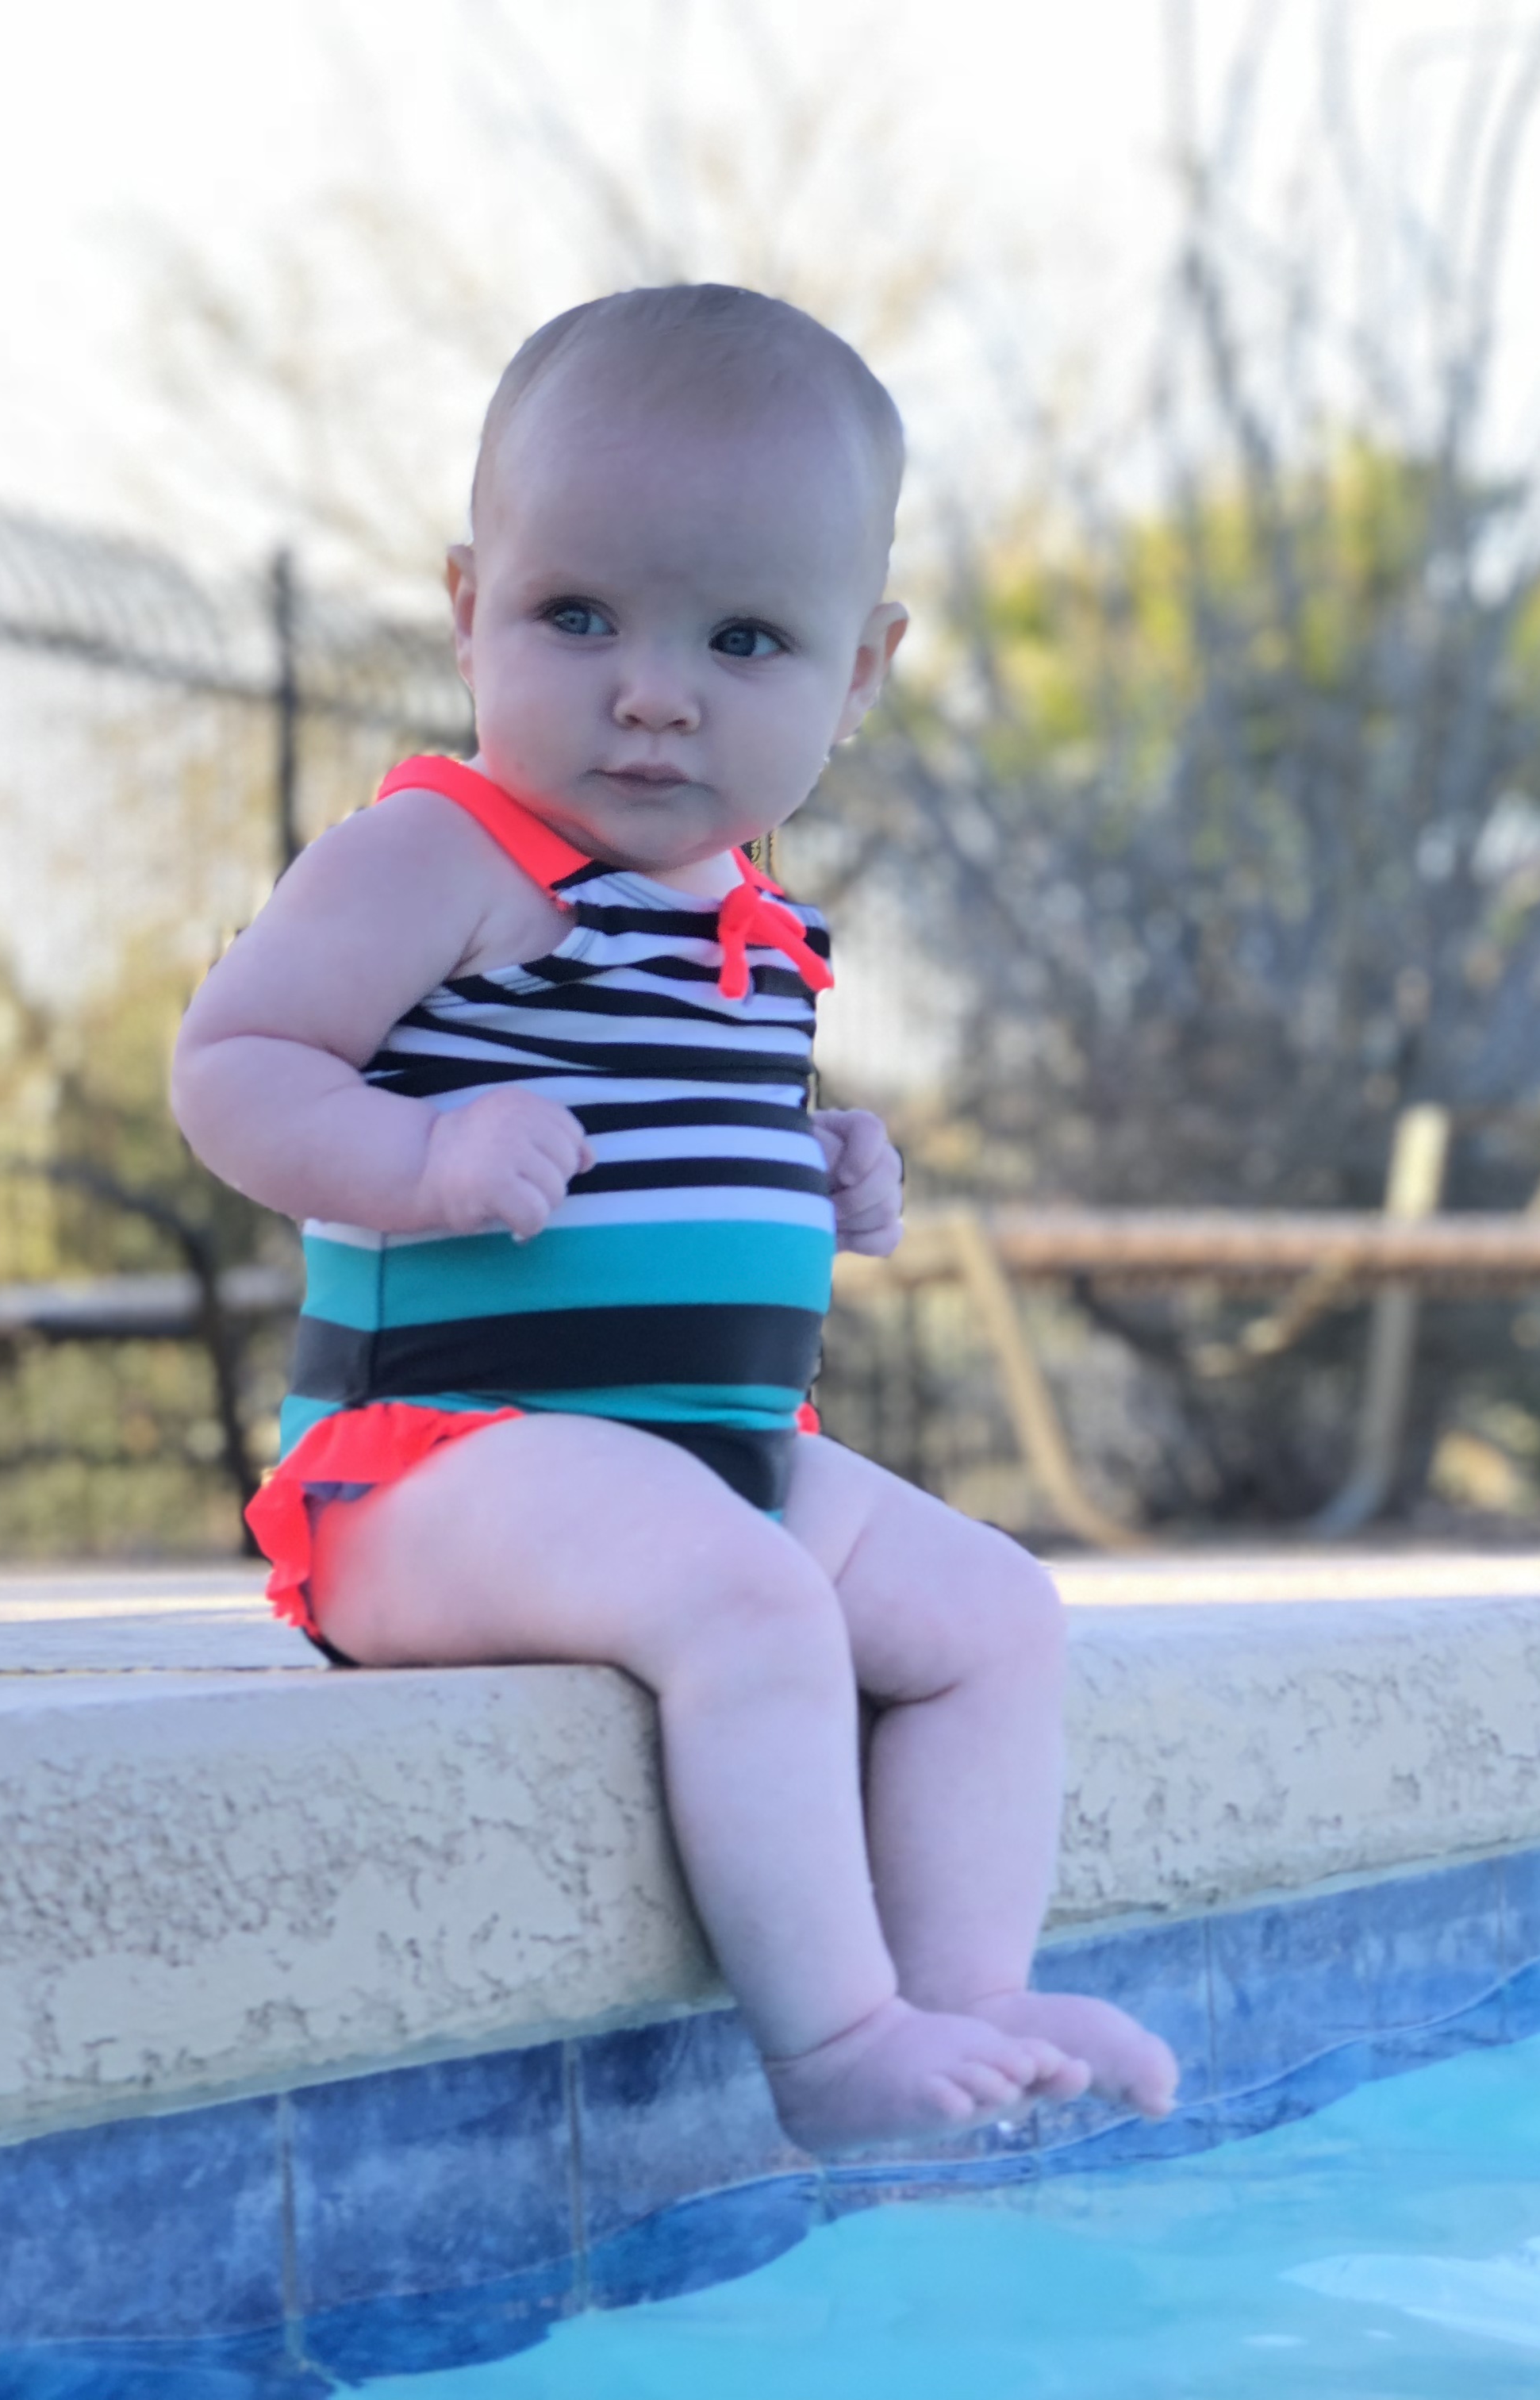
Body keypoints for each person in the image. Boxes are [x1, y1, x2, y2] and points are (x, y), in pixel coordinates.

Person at [167, 285, 1178, 2153]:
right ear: (468, 607)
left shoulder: (750, 916)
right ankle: (837, 2044)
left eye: (742, 638)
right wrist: (419, 1159)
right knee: (750, 1604)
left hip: (704, 1454)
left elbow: (687, 1139)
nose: (652, 688)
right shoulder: (439, 857)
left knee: (994, 1614)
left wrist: (828, 1165)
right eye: (578, 617)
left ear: (858, 675)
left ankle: (968, 1994)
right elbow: (232, 1064)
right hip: (433, 1470)